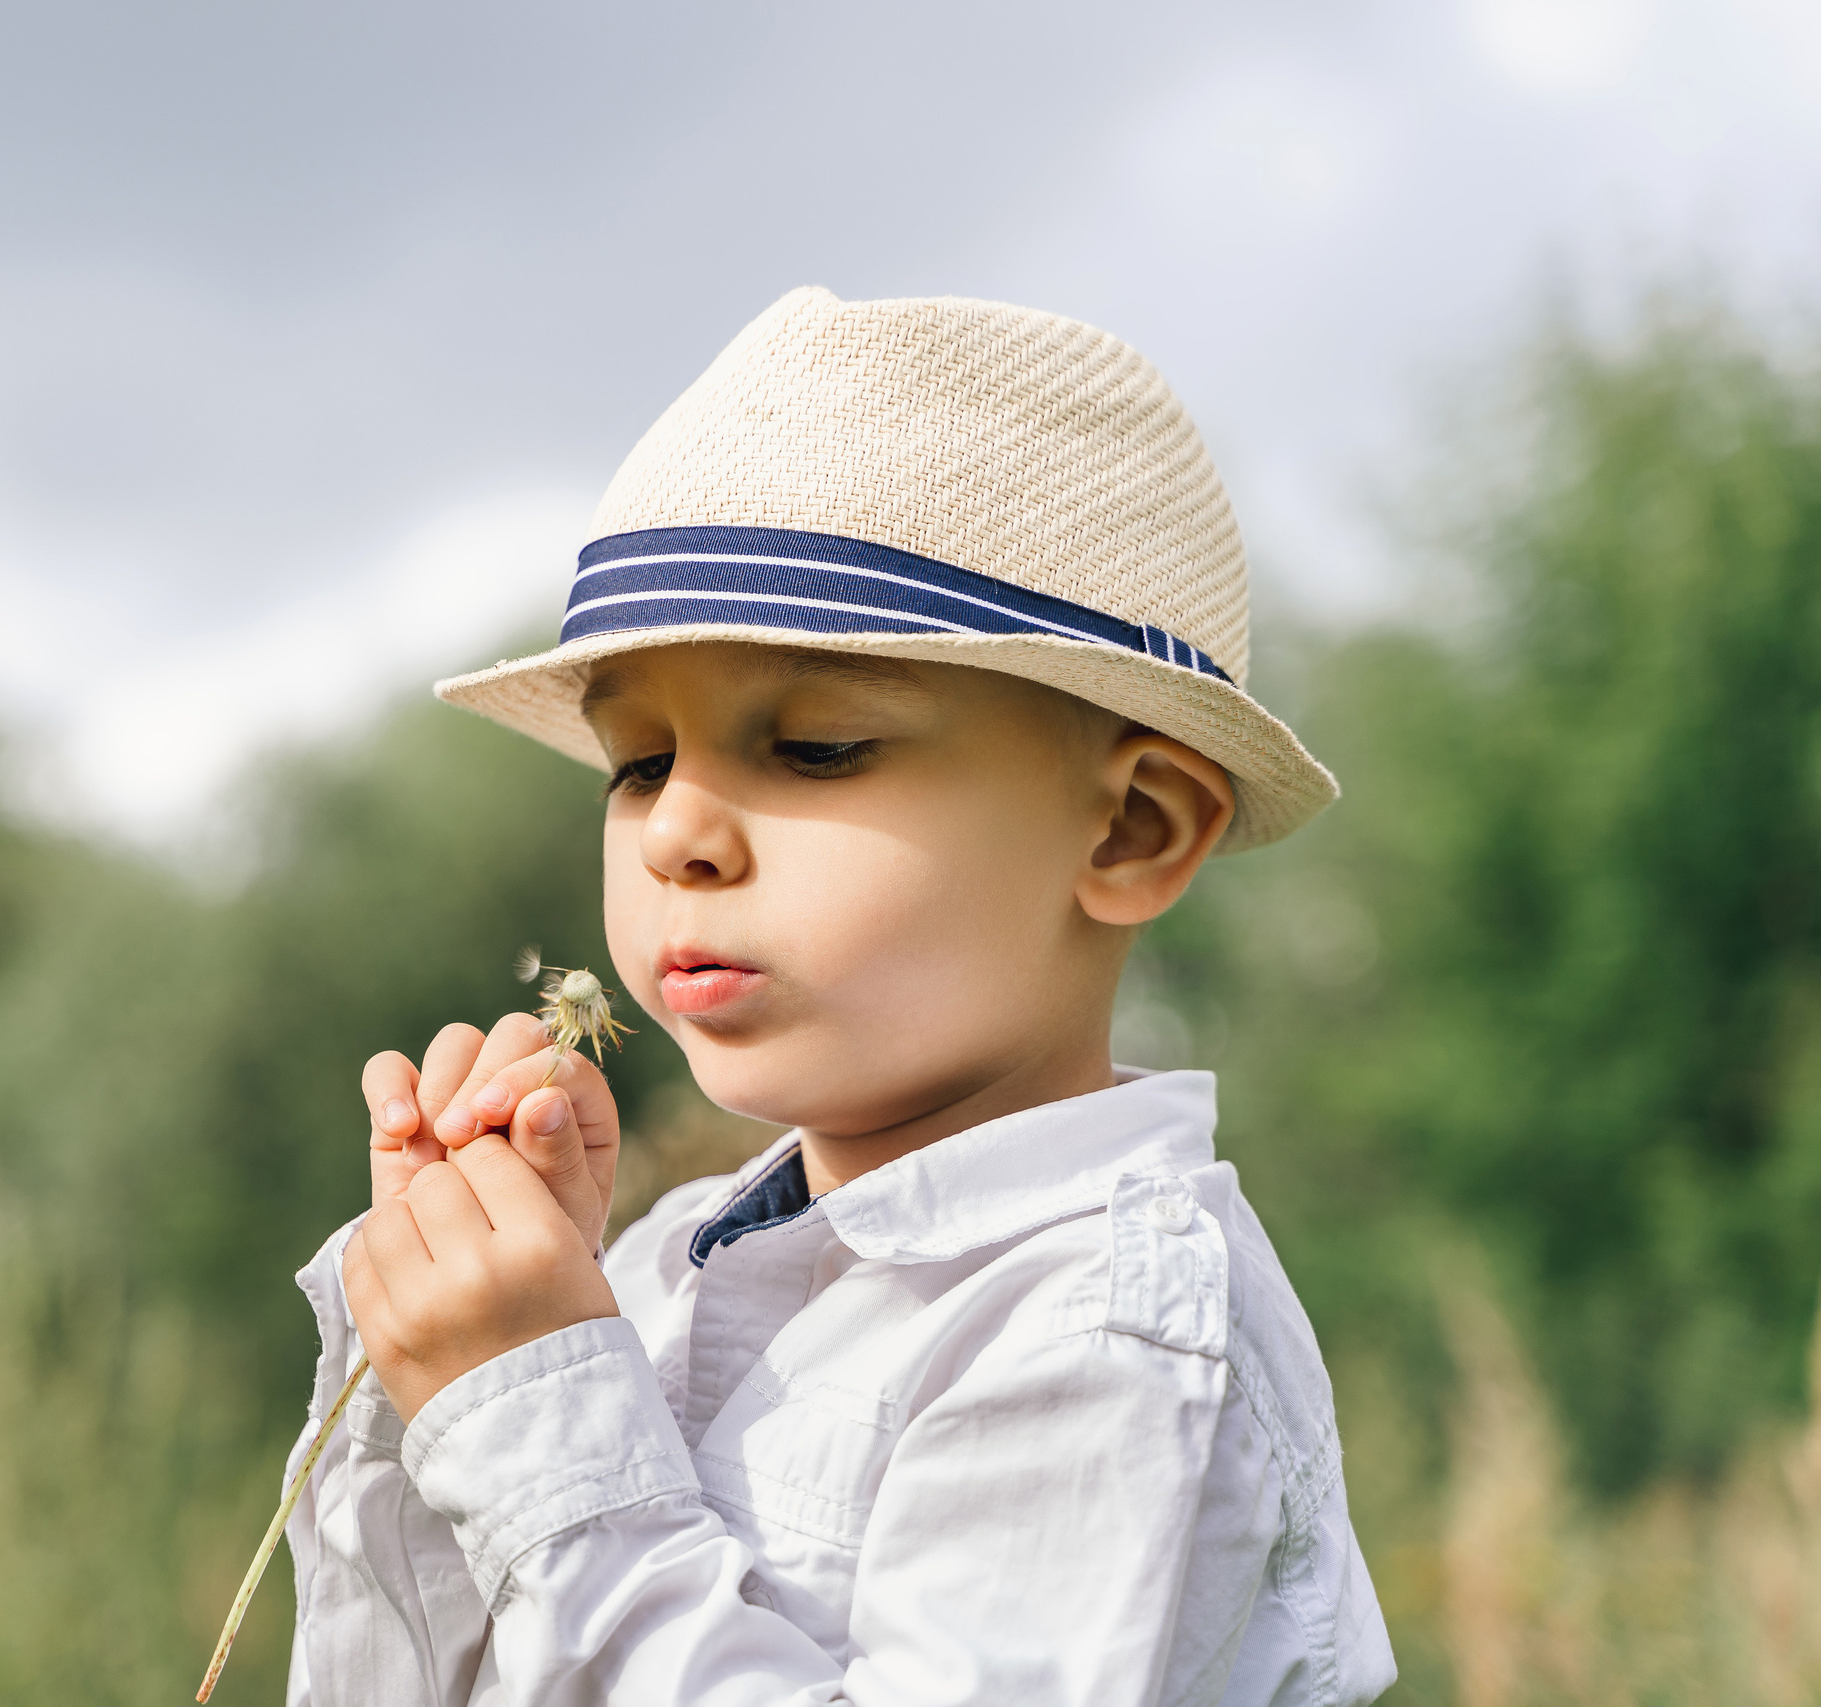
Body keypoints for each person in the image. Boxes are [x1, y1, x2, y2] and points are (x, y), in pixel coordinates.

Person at [281, 288, 1397, 1706]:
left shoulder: (1099, 1323)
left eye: (812, 747)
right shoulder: (664, 1270)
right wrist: (448, 1352)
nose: (679, 830)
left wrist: (539, 1421)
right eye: (637, 763)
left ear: (1131, 833)